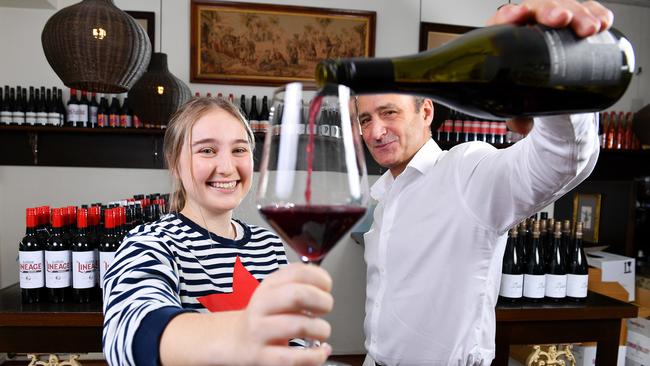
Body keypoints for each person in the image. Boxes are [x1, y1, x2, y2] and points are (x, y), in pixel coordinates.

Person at [357, 1, 612, 365]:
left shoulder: (466, 172)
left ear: (426, 111)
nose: (375, 131)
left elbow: (562, 160)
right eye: (365, 119)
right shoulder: (385, 196)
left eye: (389, 113)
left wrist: (558, 80)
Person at [102, 97, 334, 366]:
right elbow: (128, 335)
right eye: (207, 151)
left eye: (239, 150)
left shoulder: (268, 244)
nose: (227, 167)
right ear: (175, 164)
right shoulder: (150, 244)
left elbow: (288, 342)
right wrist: (240, 332)